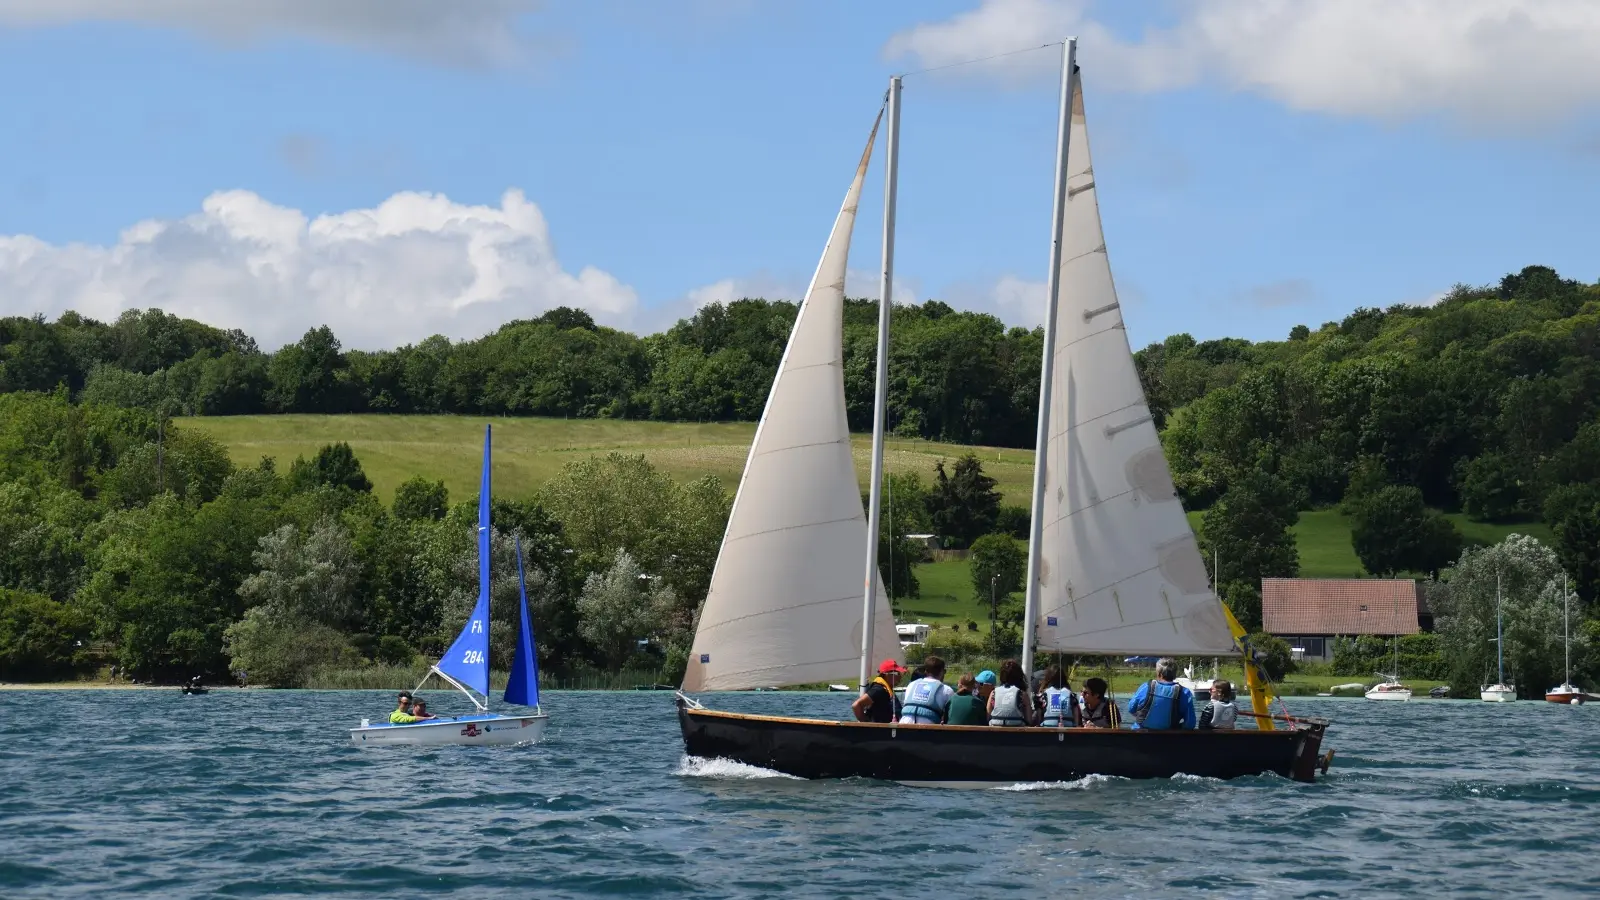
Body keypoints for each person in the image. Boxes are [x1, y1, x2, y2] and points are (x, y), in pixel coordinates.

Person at [1125, 658, 1195, 730]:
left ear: (1159, 674)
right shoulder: (1185, 693)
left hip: (1140, 733)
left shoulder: (1145, 687)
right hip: (1169, 735)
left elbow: (1131, 708)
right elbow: (1190, 724)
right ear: (1175, 674)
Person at [899, 656, 955, 724]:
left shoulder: (911, 685)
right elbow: (951, 716)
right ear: (942, 672)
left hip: (904, 725)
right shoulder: (946, 690)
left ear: (925, 671)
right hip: (927, 727)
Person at [987, 660, 1035, 727]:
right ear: (1019, 676)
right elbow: (1029, 721)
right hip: (1016, 729)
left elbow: (988, 717)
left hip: (996, 729)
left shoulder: (993, 693)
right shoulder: (1022, 694)